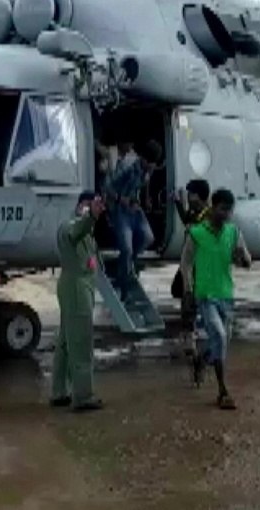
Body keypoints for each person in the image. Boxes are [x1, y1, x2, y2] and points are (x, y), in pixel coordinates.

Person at [181, 188, 251, 409]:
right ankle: (222, 392)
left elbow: (246, 259)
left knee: (219, 343)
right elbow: (186, 264)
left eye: (229, 211)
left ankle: (201, 361)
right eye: (223, 210)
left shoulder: (233, 232)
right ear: (213, 207)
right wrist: (189, 289)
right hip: (206, 296)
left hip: (226, 296)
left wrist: (243, 259)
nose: (227, 215)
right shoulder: (197, 233)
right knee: (219, 336)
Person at [50, 191, 107, 412]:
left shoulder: (86, 232)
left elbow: (91, 256)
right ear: (82, 205)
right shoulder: (72, 227)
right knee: (81, 342)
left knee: (66, 342)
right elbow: (77, 230)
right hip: (76, 288)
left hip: (77, 287)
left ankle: (59, 391)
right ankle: (83, 396)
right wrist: (91, 216)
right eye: (90, 204)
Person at [104, 138, 160, 298]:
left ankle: (126, 265)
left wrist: (146, 198)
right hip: (120, 209)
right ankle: (123, 286)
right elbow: (107, 187)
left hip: (135, 208)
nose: (153, 167)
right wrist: (121, 199)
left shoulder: (149, 169)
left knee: (148, 238)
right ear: (144, 159)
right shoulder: (127, 166)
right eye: (152, 164)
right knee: (126, 248)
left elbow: (146, 181)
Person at [173, 179, 212, 360]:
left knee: (193, 301)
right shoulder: (196, 212)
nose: (189, 197)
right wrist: (178, 204)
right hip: (189, 264)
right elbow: (187, 220)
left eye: (191, 194)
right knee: (185, 298)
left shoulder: (208, 216)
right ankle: (190, 339)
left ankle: (196, 340)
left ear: (199, 196)